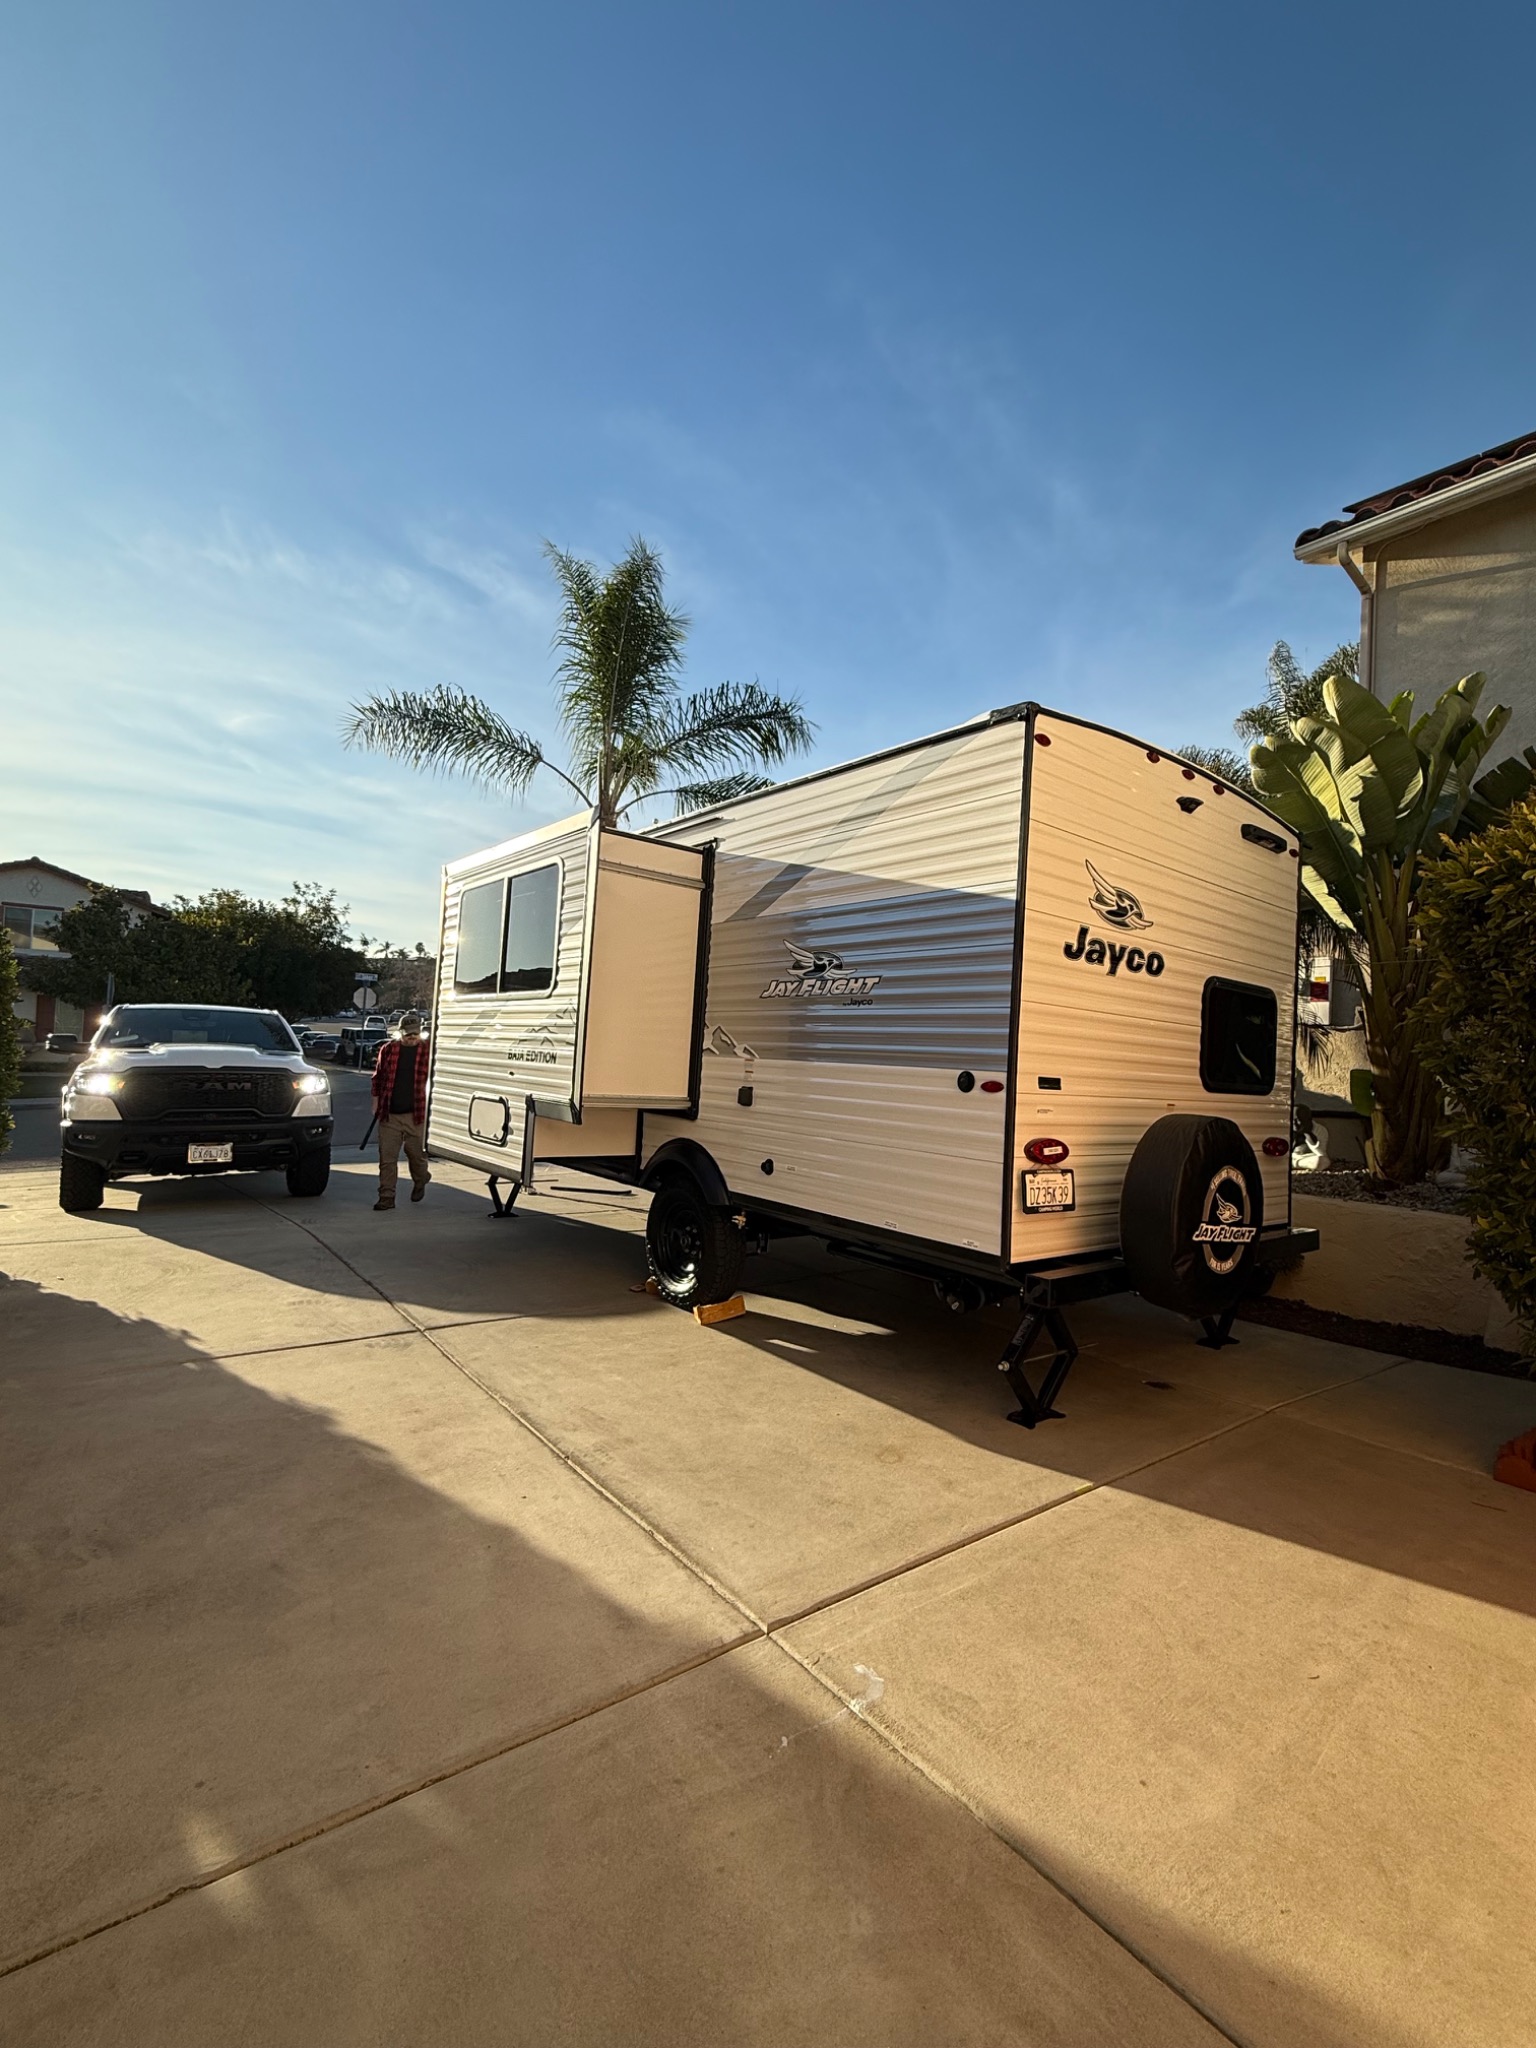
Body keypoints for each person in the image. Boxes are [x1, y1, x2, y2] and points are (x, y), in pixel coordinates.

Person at [371, 1011, 431, 1210]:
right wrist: (375, 1102)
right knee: (387, 1158)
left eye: (415, 1033)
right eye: (408, 1034)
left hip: (417, 1115)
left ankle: (421, 1179)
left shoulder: (429, 1052)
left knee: (416, 1156)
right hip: (390, 1115)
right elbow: (377, 1078)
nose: (411, 1038)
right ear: (400, 1033)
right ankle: (387, 1197)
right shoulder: (388, 1050)